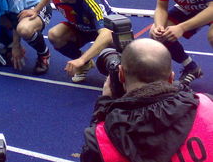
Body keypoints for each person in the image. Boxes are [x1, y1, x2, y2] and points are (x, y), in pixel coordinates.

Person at [80, 38, 213, 162]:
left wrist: (103, 107)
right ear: (171, 78)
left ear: (121, 74)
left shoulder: (99, 140)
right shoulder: (208, 103)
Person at [24, 0, 114, 82]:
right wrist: (36, 10)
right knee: (54, 35)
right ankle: (85, 65)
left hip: (107, 30)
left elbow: (106, 34)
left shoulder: (90, 1)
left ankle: (114, 70)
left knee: (115, 50)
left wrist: (81, 59)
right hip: (82, 28)